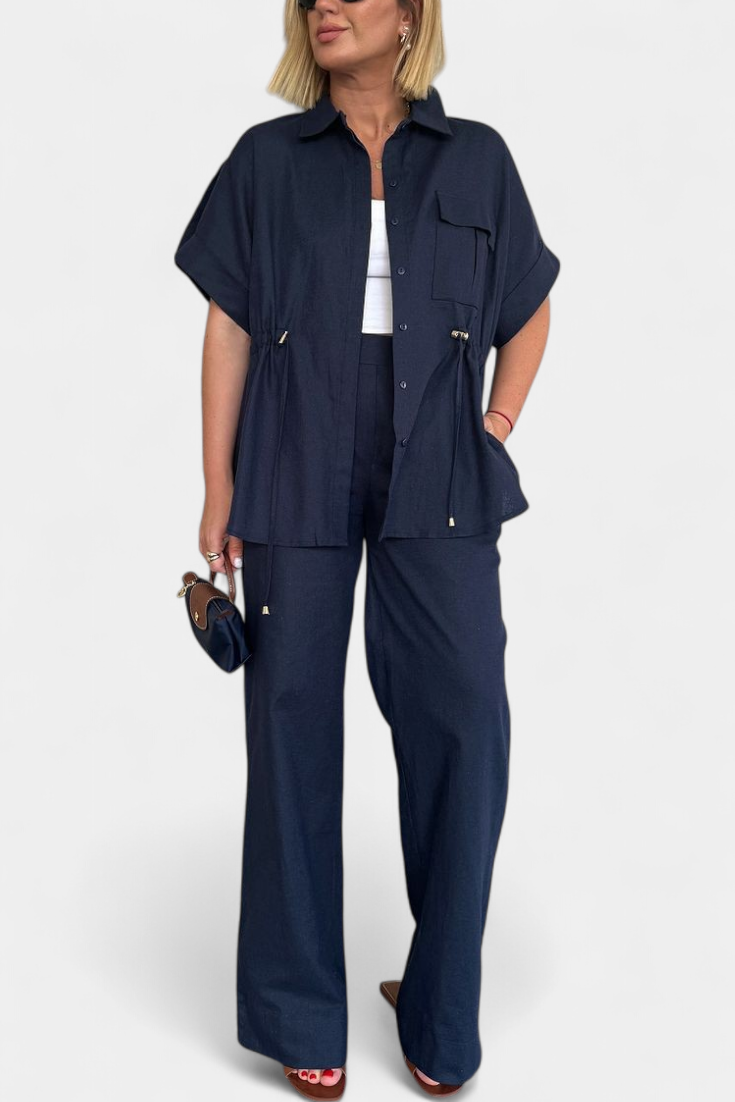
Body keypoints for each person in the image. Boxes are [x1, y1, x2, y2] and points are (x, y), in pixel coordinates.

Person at [174, 1, 560, 1097]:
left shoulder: (477, 158)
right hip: (294, 449)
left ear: (411, 14)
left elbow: (529, 304)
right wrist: (219, 483)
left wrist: (492, 427)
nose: (325, 6)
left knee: (463, 721)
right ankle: (301, 1007)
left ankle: (437, 1006)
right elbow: (229, 324)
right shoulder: (267, 161)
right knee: (291, 721)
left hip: (440, 464)